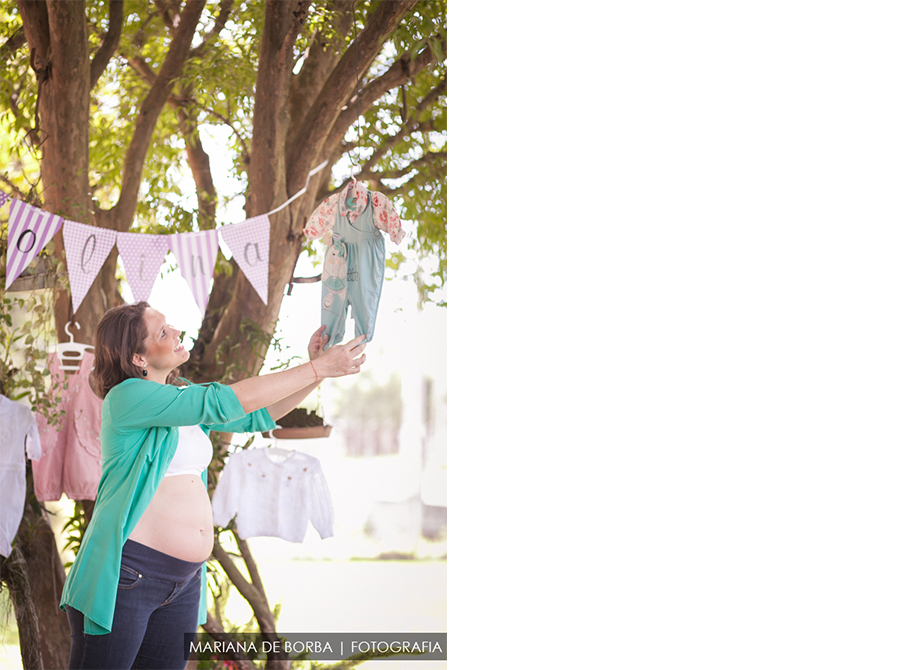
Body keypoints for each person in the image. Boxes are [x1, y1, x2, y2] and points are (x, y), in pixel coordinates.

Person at [60, 301, 366, 669]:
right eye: (162, 332)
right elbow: (222, 402)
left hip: (183, 582)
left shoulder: (180, 395)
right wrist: (317, 366)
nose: (176, 333)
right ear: (139, 359)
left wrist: (316, 375)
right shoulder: (126, 397)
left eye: (170, 326)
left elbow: (257, 416)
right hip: (129, 578)